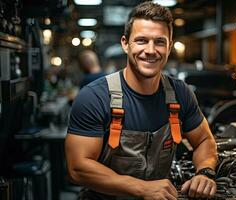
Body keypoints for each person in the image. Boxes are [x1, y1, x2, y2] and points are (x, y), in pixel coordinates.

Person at [65, 2, 218, 199]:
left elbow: (204, 140)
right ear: (125, 43)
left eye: (160, 42)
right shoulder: (94, 97)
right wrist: (142, 188)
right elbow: (78, 167)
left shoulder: (180, 94)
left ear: (169, 46)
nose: (151, 50)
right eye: (142, 40)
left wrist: (205, 172)